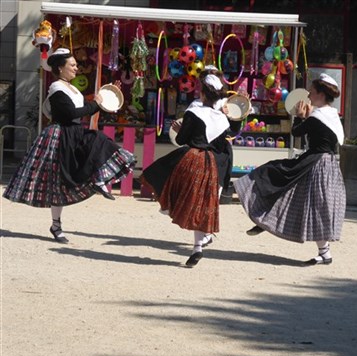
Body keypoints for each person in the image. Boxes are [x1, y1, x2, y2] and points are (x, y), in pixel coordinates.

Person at [3, 48, 136, 244]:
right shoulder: (57, 89)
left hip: (73, 133)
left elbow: (85, 109)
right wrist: (96, 104)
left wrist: (105, 99)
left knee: (100, 142)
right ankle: (56, 225)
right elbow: (70, 114)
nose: (76, 67)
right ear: (60, 68)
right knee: (58, 181)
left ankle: (98, 179)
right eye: (72, 65)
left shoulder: (71, 88)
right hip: (60, 136)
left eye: (75, 64)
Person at [233, 73, 346, 265]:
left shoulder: (317, 116)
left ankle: (263, 216)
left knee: (274, 175)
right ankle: (324, 252)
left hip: (315, 164)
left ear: (320, 94)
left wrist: (301, 117)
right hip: (330, 166)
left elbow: (296, 133)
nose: (308, 93)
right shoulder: (333, 115)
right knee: (310, 202)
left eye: (311, 90)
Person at [140, 74, 232, 267]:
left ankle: (167, 207)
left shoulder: (193, 113)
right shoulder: (222, 119)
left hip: (191, 158)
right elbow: (220, 145)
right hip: (210, 163)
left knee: (160, 177)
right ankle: (197, 248)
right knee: (200, 204)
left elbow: (181, 140)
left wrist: (177, 127)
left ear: (203, 93)